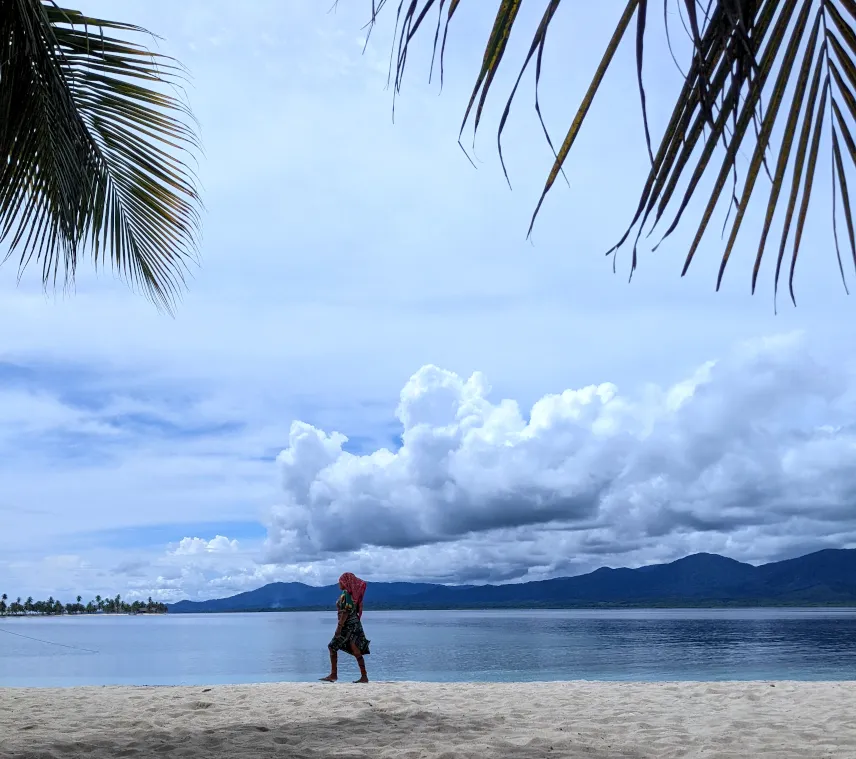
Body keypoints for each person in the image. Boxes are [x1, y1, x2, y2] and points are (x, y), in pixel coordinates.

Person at [320, 572, 371, 683]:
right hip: (355, 625)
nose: (339, 583)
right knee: (355, 649)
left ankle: (333, 675)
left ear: (345, 582)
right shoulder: (351, 594)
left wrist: (339, 627)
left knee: (332, 646)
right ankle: (364, 676)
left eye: (340, 581)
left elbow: (346, 611)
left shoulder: (346, 594)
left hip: (348, 626)